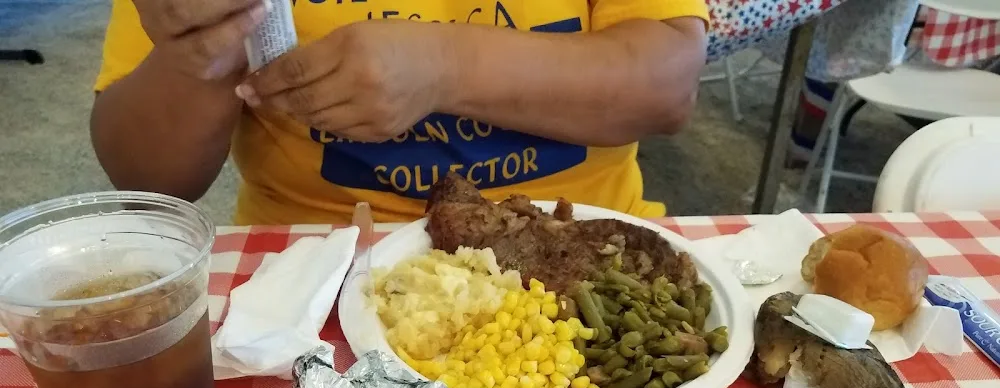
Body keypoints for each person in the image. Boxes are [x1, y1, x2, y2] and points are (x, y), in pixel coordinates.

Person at [91, 0, 708, 225]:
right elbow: (150, 180)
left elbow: (664, 85)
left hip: (584, 245)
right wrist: (193, 52)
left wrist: (445, 67)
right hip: (309, 273)